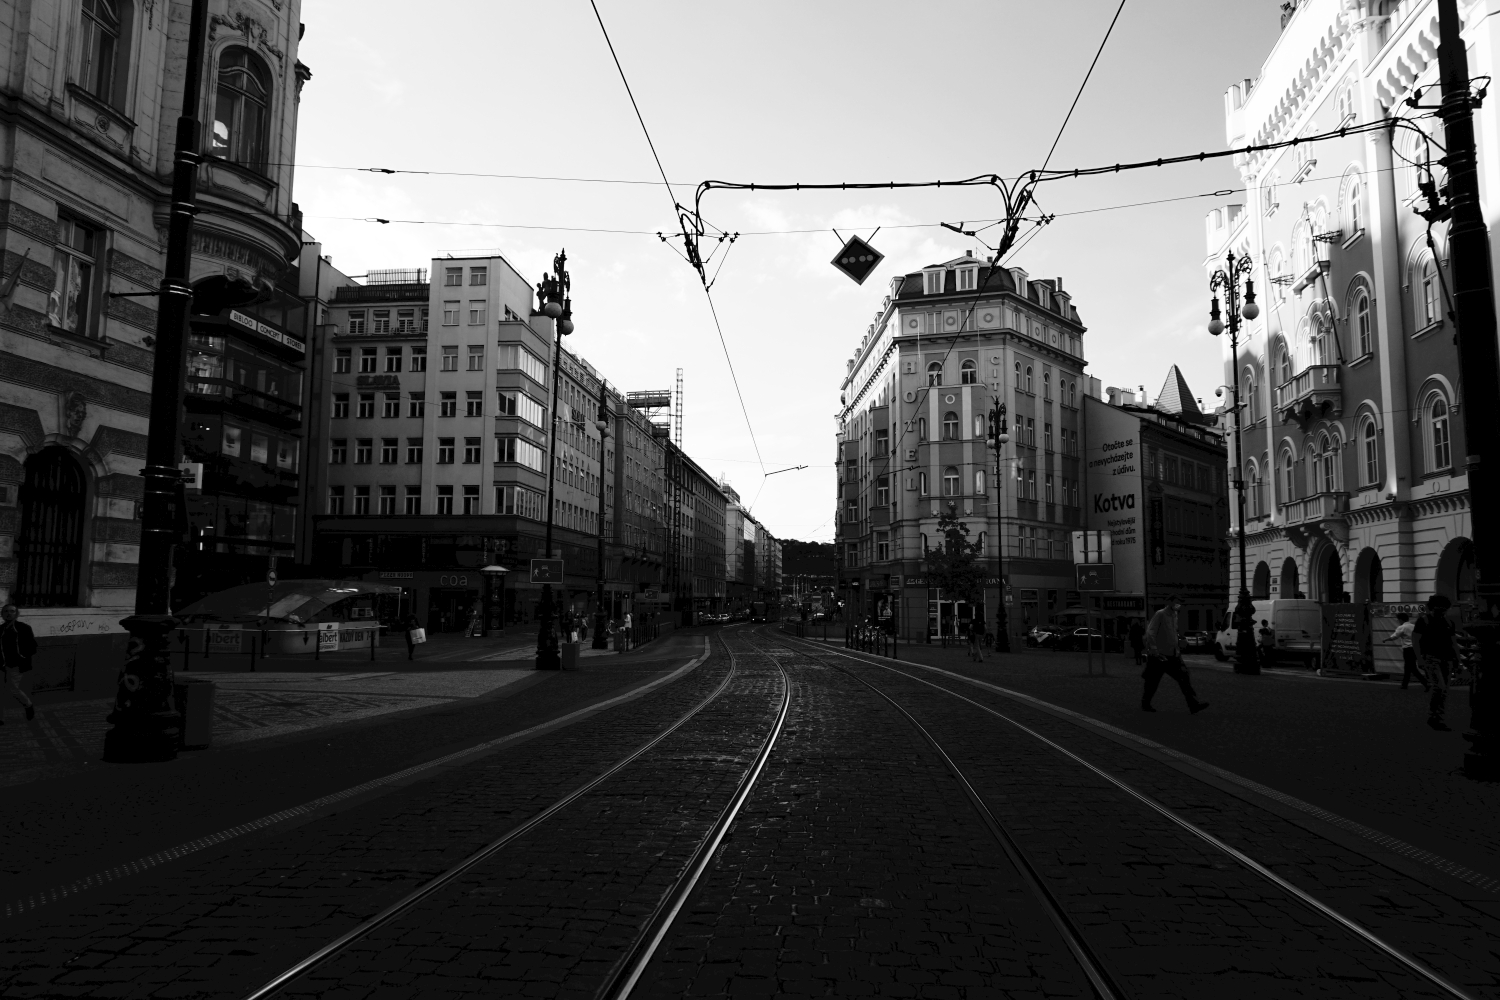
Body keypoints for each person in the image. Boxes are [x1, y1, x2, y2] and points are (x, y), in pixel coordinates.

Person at [1141, 595, 1209, 714]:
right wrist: (1154, 651)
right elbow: (1150, 633)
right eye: (1177, 602)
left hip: (1173, 655)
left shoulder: (1174, 616)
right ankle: (1145, 703)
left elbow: (1172, 633)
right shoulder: (1160, 614)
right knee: (1152, 682)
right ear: (1170, 602)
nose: (1179, 605)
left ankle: (1193, 705)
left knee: (1184, 679)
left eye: (1180, 603)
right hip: (1160, 656)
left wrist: (1178, 643)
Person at [1412, 595, 1461, 730]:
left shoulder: (1449, 622)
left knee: (1444, 690)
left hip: (1447, 658)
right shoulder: (1424, 621)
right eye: (1440, 607)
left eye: (1444, 607)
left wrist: (1459, 660)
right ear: (1432, 607)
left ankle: (1437, 717)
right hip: (1431, 657)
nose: (1443, 610)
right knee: (1440, 687)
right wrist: (1420, 658)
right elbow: (1415, 641)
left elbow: (1453, 643)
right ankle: (1434, 716)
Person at [0, 603, 38, 723]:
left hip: (15, 665)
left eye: (12, 611)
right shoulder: (0, 629)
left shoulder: (23, 628)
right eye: (6, 611)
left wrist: (21, 657)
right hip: (1, 664)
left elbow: (32, 647)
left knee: (13, 689)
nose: (9, 614)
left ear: (17, 614)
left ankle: (28, 705)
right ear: (2, 614)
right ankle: (1, 718)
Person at [1382, 612, 1426, 691]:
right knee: (1408, 667)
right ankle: (1404, 684)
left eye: (1398, 619)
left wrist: (1386, 640)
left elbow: (1394, 636)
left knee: (1411, 668)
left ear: (1401, 619)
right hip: (1415, 648)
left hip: (1408, 649)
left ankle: (1426, 683)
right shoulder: (1413, 626)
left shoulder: (1402, 627)